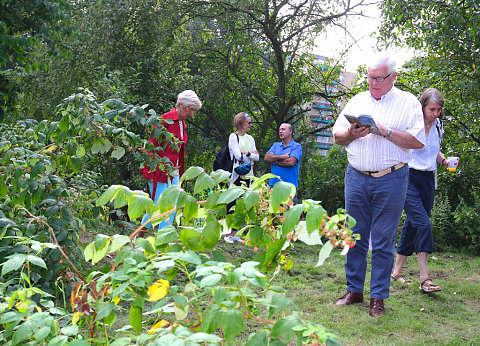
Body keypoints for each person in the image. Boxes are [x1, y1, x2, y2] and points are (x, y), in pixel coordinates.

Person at [331, 55, 426, 317]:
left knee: (383, 239)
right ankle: (354, 290)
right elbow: (337, 136)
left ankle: (378, 297)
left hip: (391, 178)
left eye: (379, 78)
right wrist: (351, 133)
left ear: (393, 77)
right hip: (357, 176)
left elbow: (417, 142)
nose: (373, 82)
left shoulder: (407, 102)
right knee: (354, 236)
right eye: (370, 77)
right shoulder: (357, 100)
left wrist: (385, 132)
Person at [391, 88, 457, 293]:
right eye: (432, 109)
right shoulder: (413, 123)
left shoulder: (438, 125)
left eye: (439, 110)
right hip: (408, 176)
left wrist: (445, 161)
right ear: (423, 106)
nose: (436, 113)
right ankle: (424, 278)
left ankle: (396, 272)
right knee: (423, 222)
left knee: (413, 224)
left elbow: (435, 150)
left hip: (428, 179)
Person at [139, 90, 202, 229]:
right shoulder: (164, 120)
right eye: (190, 109)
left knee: (172, 205)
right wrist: (149, 172)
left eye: (194, 110)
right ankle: (138, 237)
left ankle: (163, 240)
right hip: (159, 170)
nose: (192, 114)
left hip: (174, 171)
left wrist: (179, 175)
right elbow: (151, 147)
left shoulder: (182, 125)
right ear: (180, 105)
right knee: (158, 205)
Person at [224, 112, 259, 243]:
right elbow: (238, 156)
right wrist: (250, 156)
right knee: (232, 203)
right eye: (248, 122)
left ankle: (236, 232)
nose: (250, 125)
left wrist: (248, 153)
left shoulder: (250, 138)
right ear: (240, 123)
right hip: (236, 174)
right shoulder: (233, 137)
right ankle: (229, 233)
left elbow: (258, 156)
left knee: (243, 204)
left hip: (249, 175)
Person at [264, 123, 302, 204]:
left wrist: (275, 160)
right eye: (279, 130)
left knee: (289, 214)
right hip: (273, 185)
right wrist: (282, 157)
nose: (280, 131)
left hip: (289, 187)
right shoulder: (276, 145)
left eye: (283, 129)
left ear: (290, 132)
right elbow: (267, 157)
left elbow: (291, 162)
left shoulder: (296, 146)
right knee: (272, 214)